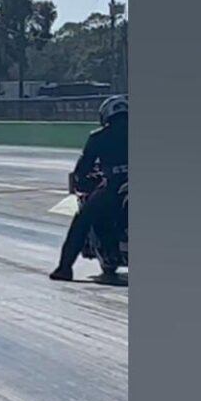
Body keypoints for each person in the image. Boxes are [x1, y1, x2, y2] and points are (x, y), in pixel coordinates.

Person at [49, 95, 128, 281]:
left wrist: (82, 181)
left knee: (83, 218)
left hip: (115, 184)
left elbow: (83, 169)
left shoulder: (99, 137)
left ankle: (65, 268)